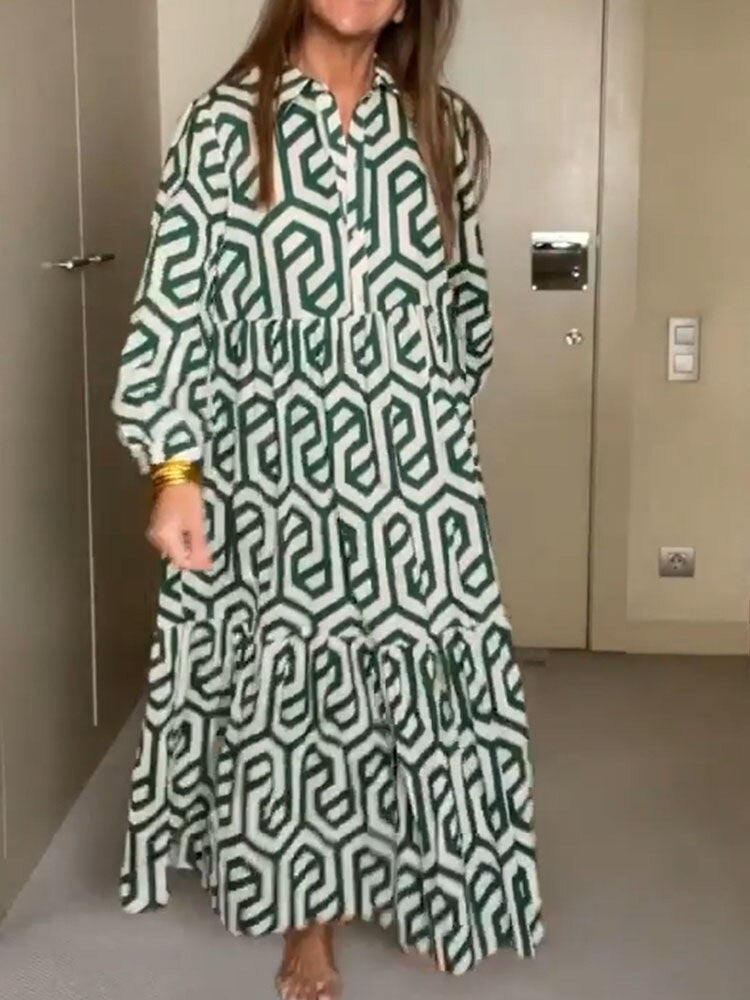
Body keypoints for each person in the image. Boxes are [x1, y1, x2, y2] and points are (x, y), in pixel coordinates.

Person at [112, 1, 543, 997]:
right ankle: (309, 924)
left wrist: (428, 432)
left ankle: (441, 888)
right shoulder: (227, 123)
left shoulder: (439, 128)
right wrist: (175, 472)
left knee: (432, 679)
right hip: (275, 475)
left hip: (415, 475)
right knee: (302, 699)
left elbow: (463, 306)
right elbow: (172, 309)